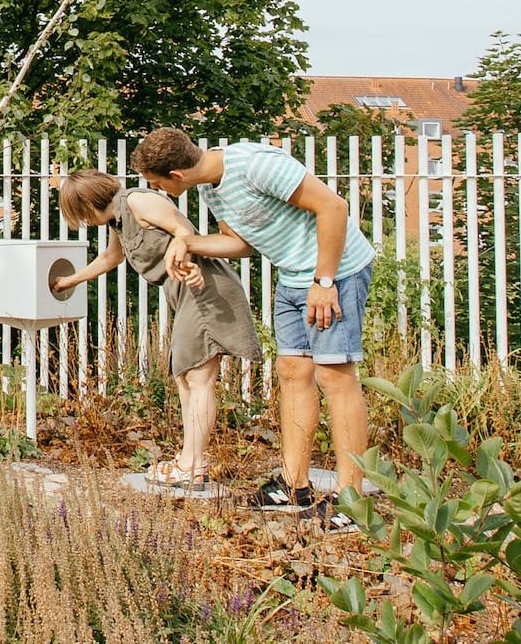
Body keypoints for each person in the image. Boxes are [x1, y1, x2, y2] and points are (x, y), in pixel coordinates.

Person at [132, 127, 376, 530]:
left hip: (335, 274)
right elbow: (241, 244)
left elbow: (334, 207)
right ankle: (292, 485)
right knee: (293, 372)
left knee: (336, 378)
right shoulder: (211, 187)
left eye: (157, 184)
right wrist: (187, 243)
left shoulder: (255, 165)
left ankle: (351, 502)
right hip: (294, 276)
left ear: (176, 175)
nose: (156, 191)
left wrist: (325, 282)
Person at [49, 168, 260, 494]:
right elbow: (110, 258)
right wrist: (69, 281)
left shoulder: (138, 201)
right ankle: (190, 460)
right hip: (186, 293)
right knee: (184, 375)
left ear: (87, 205)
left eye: (78, 213)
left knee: (197, 376)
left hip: (204, 287)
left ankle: (193, 466)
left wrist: (188, 265)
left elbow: (183, 232)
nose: (82, 220)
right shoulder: (119, 219)